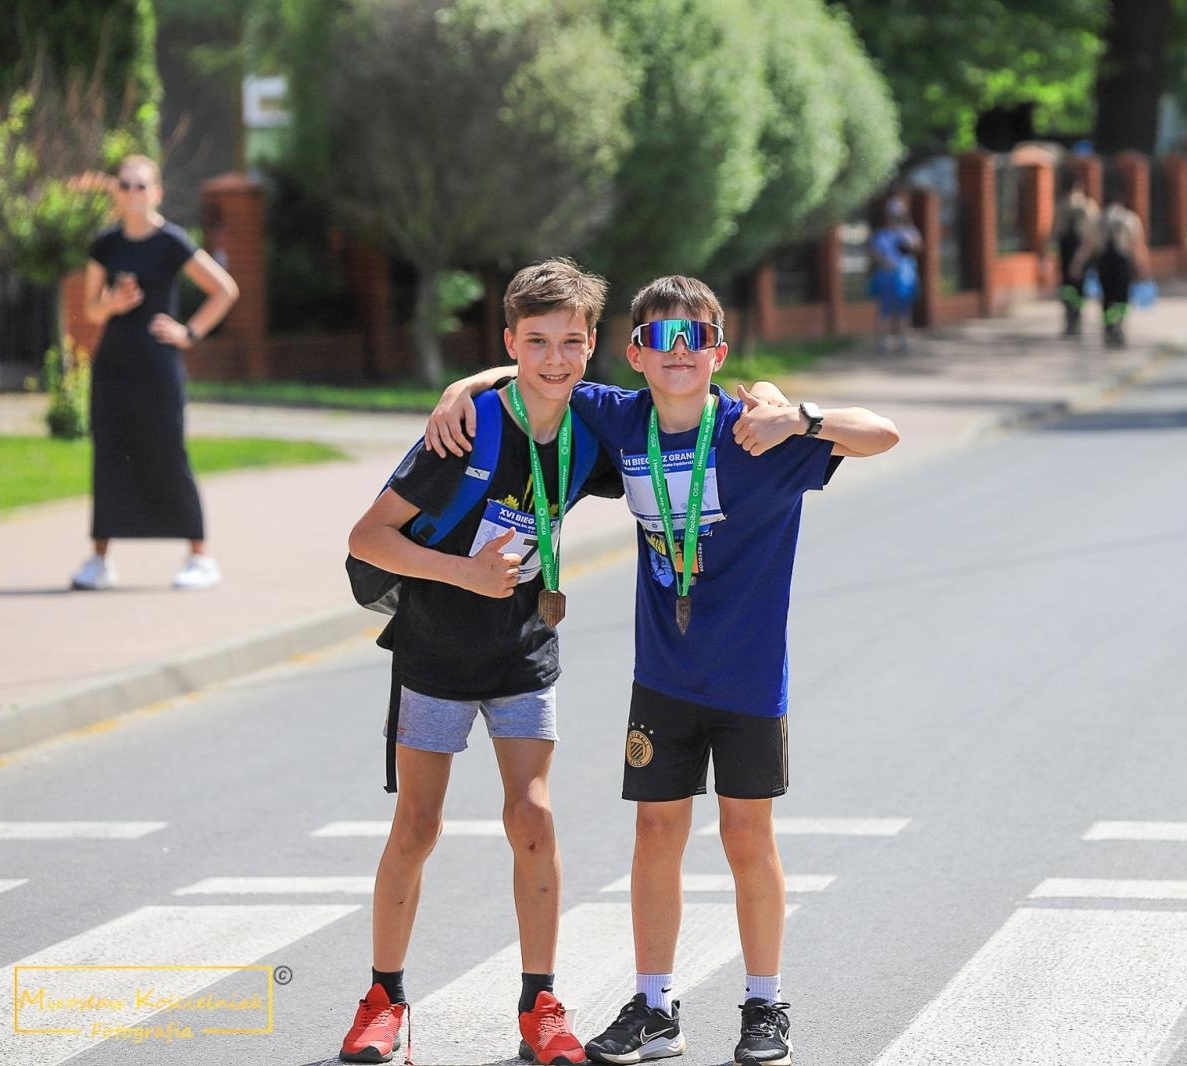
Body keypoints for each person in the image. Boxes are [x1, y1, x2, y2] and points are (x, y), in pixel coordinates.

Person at [430, 276, 899, 1066]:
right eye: (660, 340)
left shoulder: (761, 435)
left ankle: (763, 1004)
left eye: (695, 340)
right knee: (655, 833)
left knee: (749, 837)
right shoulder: (618, 419)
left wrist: (800, 414)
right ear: (637, 353)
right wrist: (462, 384)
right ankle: (655, 1007)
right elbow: (546, 370)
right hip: (665, 680)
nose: (677, 355)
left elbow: (882, 433)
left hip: (750, 680)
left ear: (717, 352)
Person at [341, 259, 624, 1066]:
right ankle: (382, 999)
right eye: (535, 343)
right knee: (418, 827)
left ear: (593, 344)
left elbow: (678, 408)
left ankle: (542, 1005)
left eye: (572, 342)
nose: (556, 359)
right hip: (434, 649)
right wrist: (465, 571)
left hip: (523, 650)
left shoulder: (589, 431)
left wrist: (770, 402)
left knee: (532, 816)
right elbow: (367, 538)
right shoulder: (465, 428)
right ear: (510, 342)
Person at [72, 154, 239, 591]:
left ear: (157, 192)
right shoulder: (105, 244)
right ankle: (99, 561)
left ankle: (200, 558)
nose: (132, 193)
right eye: (125, 185)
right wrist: (112, 305)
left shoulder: (172, 241)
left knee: (169, 452)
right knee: (109, 456)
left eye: (141, 185)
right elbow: (90, 310)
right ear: (117, 192)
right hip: (113, 367)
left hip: (158, 367)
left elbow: (225, 289)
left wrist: (189, 332)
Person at [1072, 181, 1151, 348]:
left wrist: (1077, 264)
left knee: (1107, 297)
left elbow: (1087, 246)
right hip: (1122, 263)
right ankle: (1119, 325)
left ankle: (1109, 327)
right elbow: (1138, 247)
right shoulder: (1130, 218)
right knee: (1122, 297)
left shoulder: (1097, 220)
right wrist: (1143, 268)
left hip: (1104, 263)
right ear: (1120, 201)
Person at [869, 195, 922, 353]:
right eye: (893, 214)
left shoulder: (909, 232)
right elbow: (875, 253)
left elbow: (917, 248)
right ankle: (885, 341)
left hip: (905, 277)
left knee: (904, 309)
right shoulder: (882, 235)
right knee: (885, 309)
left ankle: (904, 340)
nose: (895, 218)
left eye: (898, 214)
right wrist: (886, 263)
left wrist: (907, 242)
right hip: (886, 276)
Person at [1053, 172, 1098, 337]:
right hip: (1080, 248)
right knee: (1078, 286)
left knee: (1066, 286)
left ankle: (1070, 317)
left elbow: (1055, 231)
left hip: (1065, 249)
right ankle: (1076, 317)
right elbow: (1092, 234)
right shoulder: (1088, 206)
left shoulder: (1061, 205)